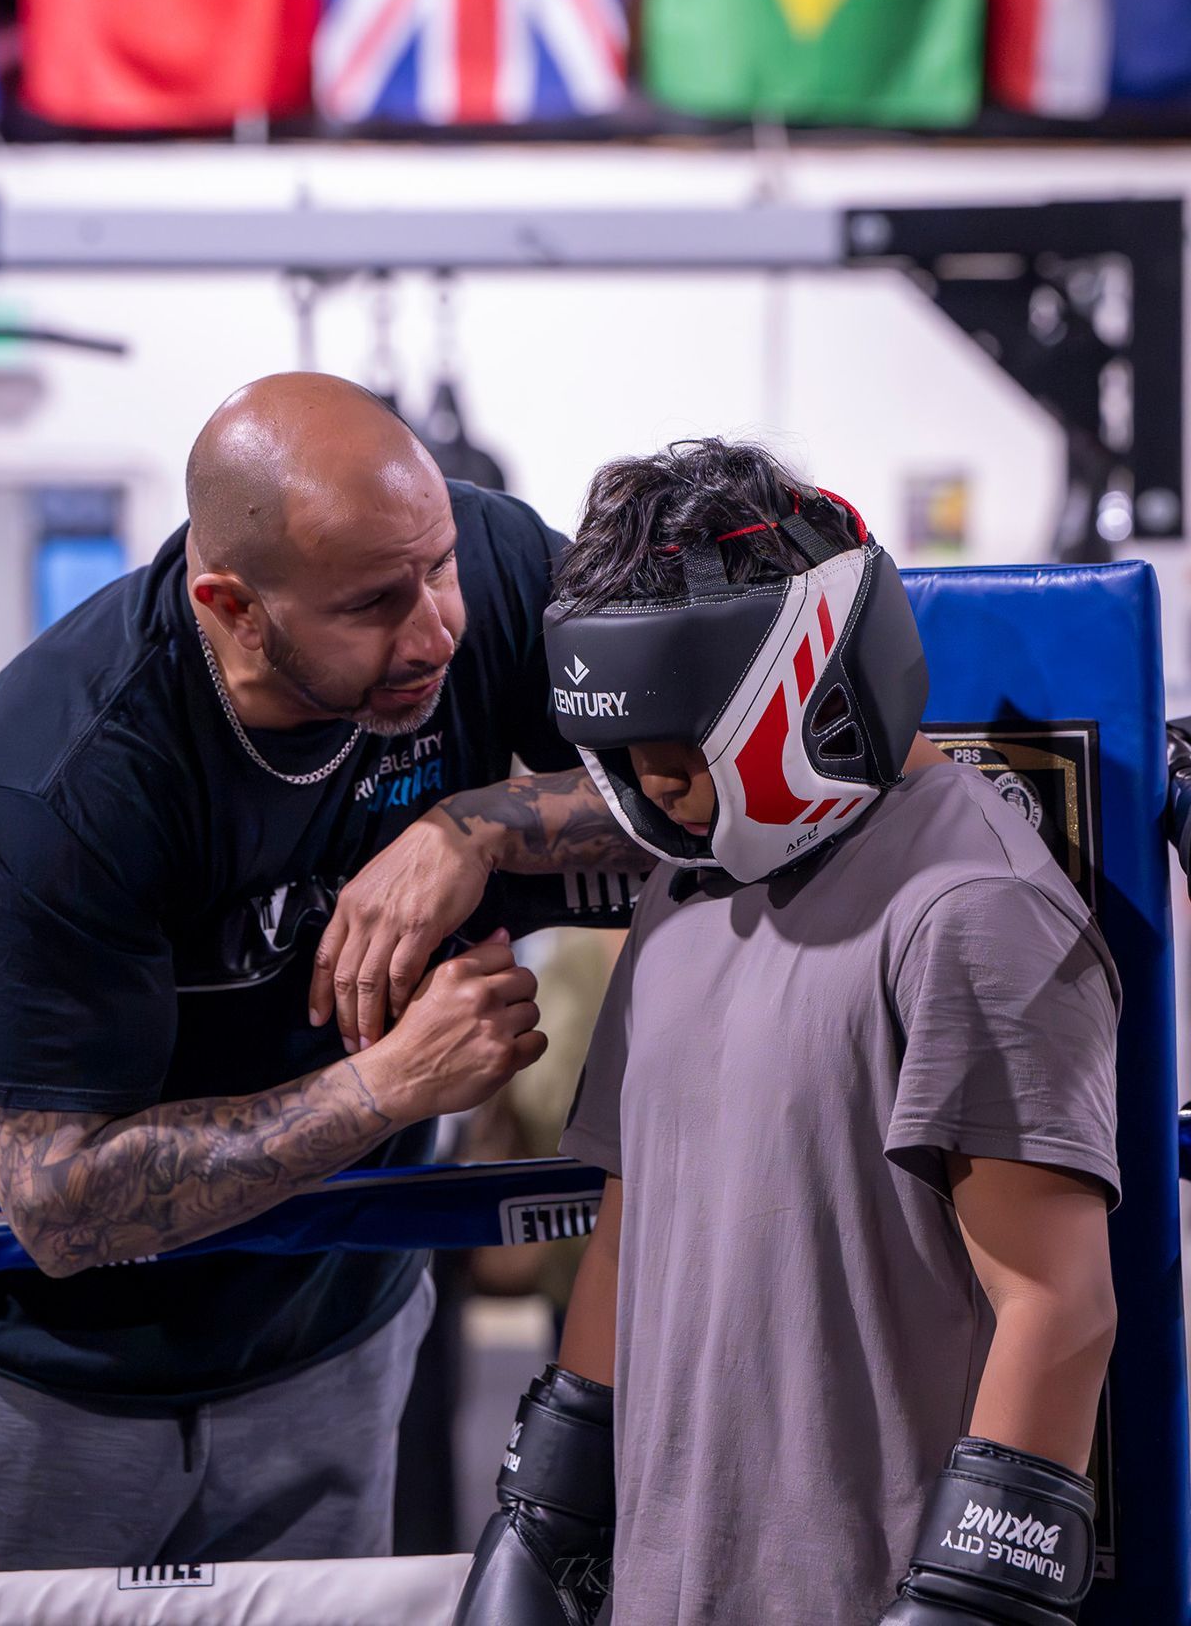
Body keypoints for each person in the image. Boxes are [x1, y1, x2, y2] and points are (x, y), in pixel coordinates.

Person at [455, 440, 1120, 1626]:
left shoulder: (971, 911)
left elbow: (1058, 1306)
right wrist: (548, 1518)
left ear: (812, 676)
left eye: (683, 732)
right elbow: (627, 1231)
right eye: (631, 741)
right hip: (666, 1586)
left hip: (854, 1595)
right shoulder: (687, 886)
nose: (653, 779)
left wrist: (972, 1603)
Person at [0, 373, 645, 1571]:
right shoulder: (66, 784)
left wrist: (481, 825)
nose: (435, 628)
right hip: (61, 1390)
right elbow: (61, 1205)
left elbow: (698, 787)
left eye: (436, 571)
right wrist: (390, 1088)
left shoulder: (482, 561)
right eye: (374, 606)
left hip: (338, 1337)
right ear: (232, 606)